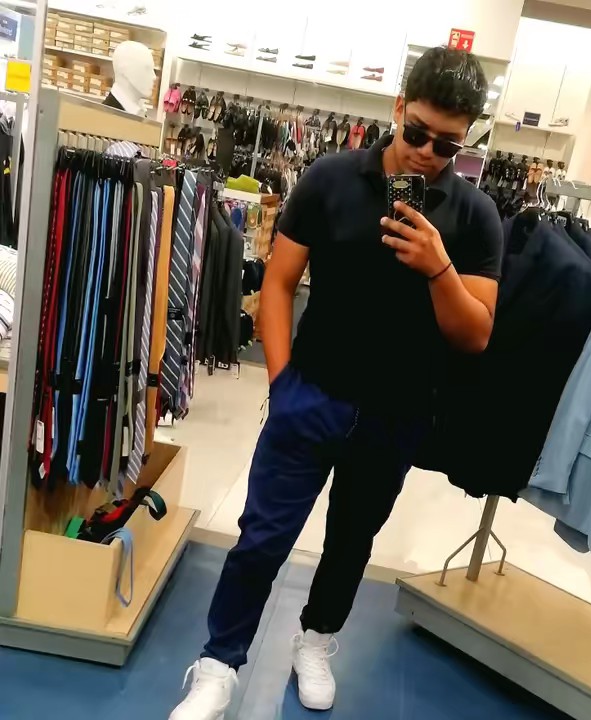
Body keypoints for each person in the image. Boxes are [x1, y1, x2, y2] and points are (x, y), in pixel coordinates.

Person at [169, 46, 504, 720]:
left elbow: (475, 333)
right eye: (416, 132)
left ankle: (316, 639)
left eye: (446, 144)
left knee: (352, 542)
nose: (426, 154)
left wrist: (438, 267)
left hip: (397, 413)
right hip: (312, 394)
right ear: (397, 109)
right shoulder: (330, 178)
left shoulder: (475, 217)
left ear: (467, 138)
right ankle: (219, 662)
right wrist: (284, 382)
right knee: (262, 537)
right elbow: (278, 283)